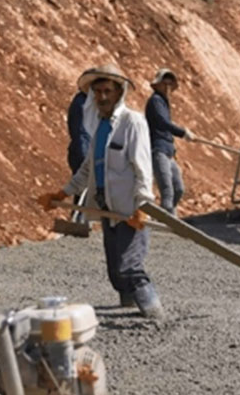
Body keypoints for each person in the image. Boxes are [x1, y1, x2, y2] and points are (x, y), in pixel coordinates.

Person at [38, 65, 164, 319]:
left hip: (130, 209)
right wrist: (62, 194)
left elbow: (143, 169)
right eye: (97, 92)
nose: (102, 97)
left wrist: (143, 206)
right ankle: (128, 301)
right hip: (107, 209)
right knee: (115, 270)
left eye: (107, 91)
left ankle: (155, 313)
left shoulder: (133, 123)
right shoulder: (101, 129)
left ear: (120, 92)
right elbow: (87, 170)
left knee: (131, 265)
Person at [145, 68, 193, 214]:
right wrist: (183, 132)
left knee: (179, 189)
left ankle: (165, 219)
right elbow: (162, 122)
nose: (167, 87)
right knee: (167, 191)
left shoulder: (163, 103)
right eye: (164, 83)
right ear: (158, 85)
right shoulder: (156, 101)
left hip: (168, 151)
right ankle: (167, 227)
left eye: (170, 84)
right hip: (158, 150)